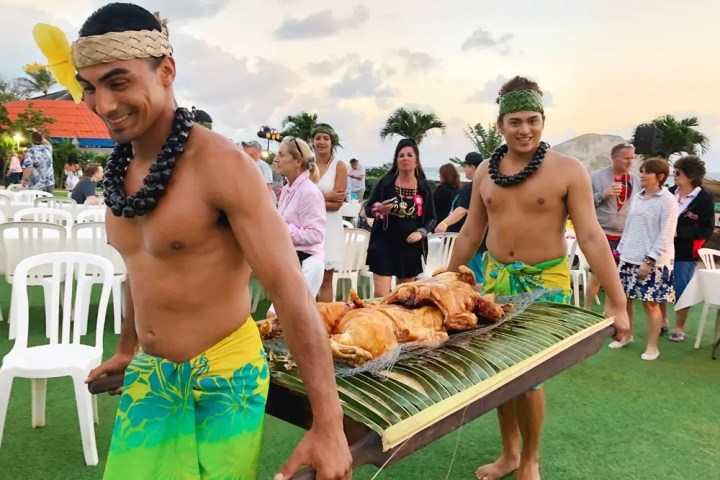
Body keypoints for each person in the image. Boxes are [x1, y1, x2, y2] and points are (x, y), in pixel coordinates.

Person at [33, 4, 351, 479]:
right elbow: (139, 271)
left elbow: (289, 292)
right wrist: (127, 347)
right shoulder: (121, 173)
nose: (103, 105)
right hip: (151, 374)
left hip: (224, 378)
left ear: (167, 70)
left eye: (118, 83)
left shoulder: (222, 166)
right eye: (90, 88)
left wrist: (329, 425)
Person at [446, 75, 629, 480]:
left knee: (528, 379)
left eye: (532, 120)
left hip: (545, 286)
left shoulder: (567, 170)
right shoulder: (485, 174)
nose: (524, 129)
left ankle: (530, 460)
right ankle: (509, 453)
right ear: (500, 125)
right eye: (515, 121)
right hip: (495, 284)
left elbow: (591, 236)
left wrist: (616, 301)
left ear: (543, 120)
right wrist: (444, 280)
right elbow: (472, 234)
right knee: (499, 374)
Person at [615, 158, 677, 360]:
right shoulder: (638, 197)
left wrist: (649, 261)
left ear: (660, 177)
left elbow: (666, 234)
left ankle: (652, 346)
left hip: (653, 262)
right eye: (641, 171)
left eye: (647, 172)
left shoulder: (667, 201)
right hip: (629, 258)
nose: (641, 174)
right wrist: (620, 252)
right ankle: (626, 336)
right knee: (625, 301)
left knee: (650, 304)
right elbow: (630, 228)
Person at [364, 138, 437, 297]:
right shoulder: (386, 183)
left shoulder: (423, 187)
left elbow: (432, 218)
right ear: (396, 160)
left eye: (410, 155)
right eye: (401, 155)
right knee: (381, 298)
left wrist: (422, 232)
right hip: (383, 246)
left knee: (404, 298)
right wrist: (379, 209)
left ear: (416, 160)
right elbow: (367, 209)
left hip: (409, 249)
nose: (405, 158)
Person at [267, 136, 326, 314]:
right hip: (292, 262)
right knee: (276, 320)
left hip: (307, 263)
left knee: (278, 318)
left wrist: (280, 228)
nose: (276, 159)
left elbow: (316, 234)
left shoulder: (309, 192)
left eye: (281, 154)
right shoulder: (287, 188)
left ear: (297, 161)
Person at [661, 156, 716, 341]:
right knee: (660, 284)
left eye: (678, 172)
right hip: (662, 248)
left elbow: (705, 229)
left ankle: (679, 326)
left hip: (685, 251)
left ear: (691, 176)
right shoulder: (668, 193)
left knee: (681, 288)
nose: (674, 175)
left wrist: (678, 232)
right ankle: (663, 320)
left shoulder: (704, 199)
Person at [584, 143, 640, 309]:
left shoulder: (635, 180)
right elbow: (583, 203)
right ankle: (586, 310)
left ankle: (609, 314)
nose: (630, 162)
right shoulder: (596, 177)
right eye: (625, 158)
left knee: (617, 279)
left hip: (626, 237)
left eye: (632, 158)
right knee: (597, 276)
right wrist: (603, 194)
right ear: (614, 158)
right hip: (603, 234)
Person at [436, 152, 485, 282]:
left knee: (473, 276)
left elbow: (462, 210)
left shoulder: (473, 187)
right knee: (462, 276)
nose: (465, 170)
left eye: (466, 167)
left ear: (472, 167)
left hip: (469, 240)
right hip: (467, 240)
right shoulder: (479, 186)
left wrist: (444, 224)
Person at [312, 123, 347, 302]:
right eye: (318, 138)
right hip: (308, 226)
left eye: (326, 138)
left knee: (326, 279)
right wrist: (326, 196)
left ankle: (325, 321)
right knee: (308, 278)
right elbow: (301, 199)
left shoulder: (339, 166)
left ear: (332, 142)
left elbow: (337, 204)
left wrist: (313, 200)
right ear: (312, 142)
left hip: (329, 227)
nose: (322, 142)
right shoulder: (307, 165)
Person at [243, 140, 277, 206]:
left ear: (256, 149)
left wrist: (261, 204)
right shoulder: (249, 164)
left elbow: (268, 186)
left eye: (248, 147)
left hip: (265, 205)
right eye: (244, 147)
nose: (244, 149)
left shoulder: (262, 165)